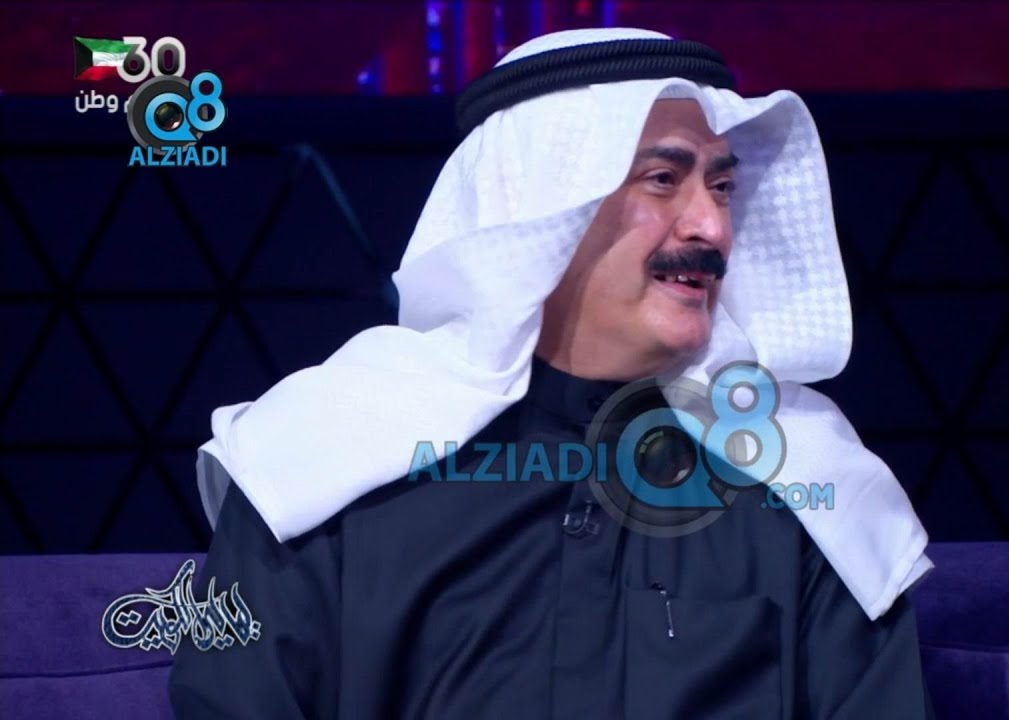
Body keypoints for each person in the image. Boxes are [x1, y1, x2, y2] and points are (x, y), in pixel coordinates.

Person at [169, 27, 935, 719]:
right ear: (535, 206)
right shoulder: (317, 460)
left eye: (722, 187)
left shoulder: (804, 484)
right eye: (662, 180)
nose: (712, 226)